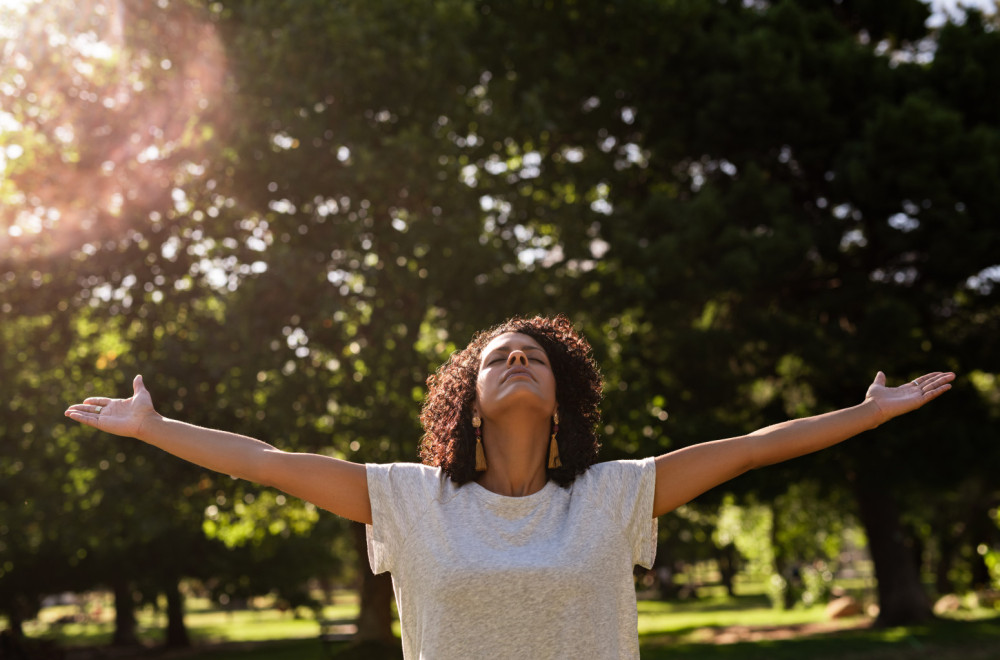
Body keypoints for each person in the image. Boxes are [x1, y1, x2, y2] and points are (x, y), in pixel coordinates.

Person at [64, 315, 955, 659]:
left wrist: (864, 415)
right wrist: (153, 428)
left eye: (536, 355)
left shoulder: (615, 493)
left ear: (560, 395)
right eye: (500, 357)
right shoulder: (410, 499)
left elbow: (756, 447)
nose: (519, 359)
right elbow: (262, 461)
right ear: (472, 403)